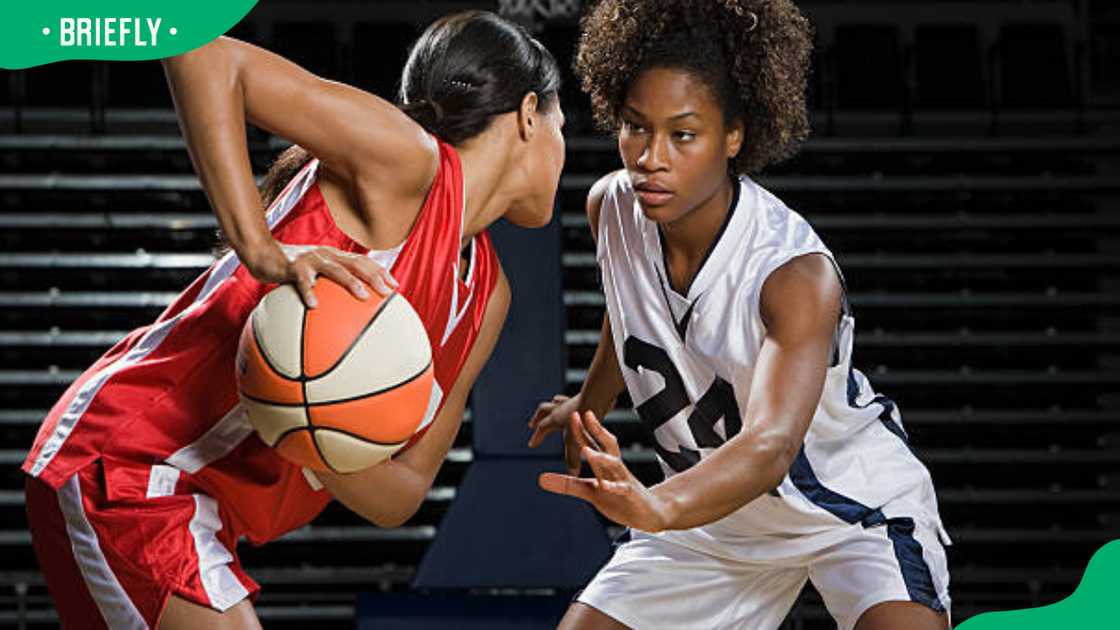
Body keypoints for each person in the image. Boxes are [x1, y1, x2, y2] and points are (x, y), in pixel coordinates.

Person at [23, 10, 565, 629]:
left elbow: (402, 494)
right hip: (129, 467)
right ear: (529, 114)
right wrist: (258, 247)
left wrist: (313, 420)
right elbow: (203, 54)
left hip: (198, 506)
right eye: (564, 123)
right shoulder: (408, 164)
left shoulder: (487, 295)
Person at [527, 1, 951, 628]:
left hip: (845, 507)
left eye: (683, 134)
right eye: (635, 126)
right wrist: (586, 403)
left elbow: (771, 444)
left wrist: (658, 507)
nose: (650, 157)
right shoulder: (612, 207)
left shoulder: (793, 272)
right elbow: (631, 315)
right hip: (712, 519)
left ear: (734, 136)